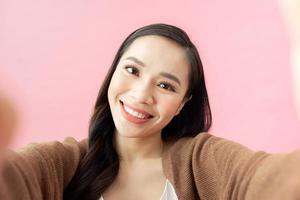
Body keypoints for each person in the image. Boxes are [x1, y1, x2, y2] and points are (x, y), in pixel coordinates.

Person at [1, 3, 300, 200]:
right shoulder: (59, 165)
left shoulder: (203, 162)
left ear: (184, 103)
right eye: (132, 70)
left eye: (165, 85)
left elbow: (272, 182)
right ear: (113, 71)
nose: (142, 95)